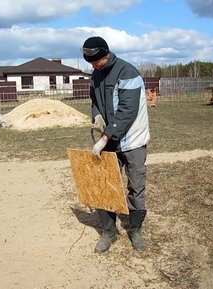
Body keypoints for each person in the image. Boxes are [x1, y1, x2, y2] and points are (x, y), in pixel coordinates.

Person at [81, 36, 150, 253]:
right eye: (91, 63)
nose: (94, 66)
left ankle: (135, 230)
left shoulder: (127, 72)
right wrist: (97, 116)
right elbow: (95, 100)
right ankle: (109, 232)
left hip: (132, 140)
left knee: (136, 186)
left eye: (96, 62)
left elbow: (127, 113)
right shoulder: (96, 74)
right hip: (110, 139)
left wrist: (104, 139)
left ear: (106, 54)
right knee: (104, 184)